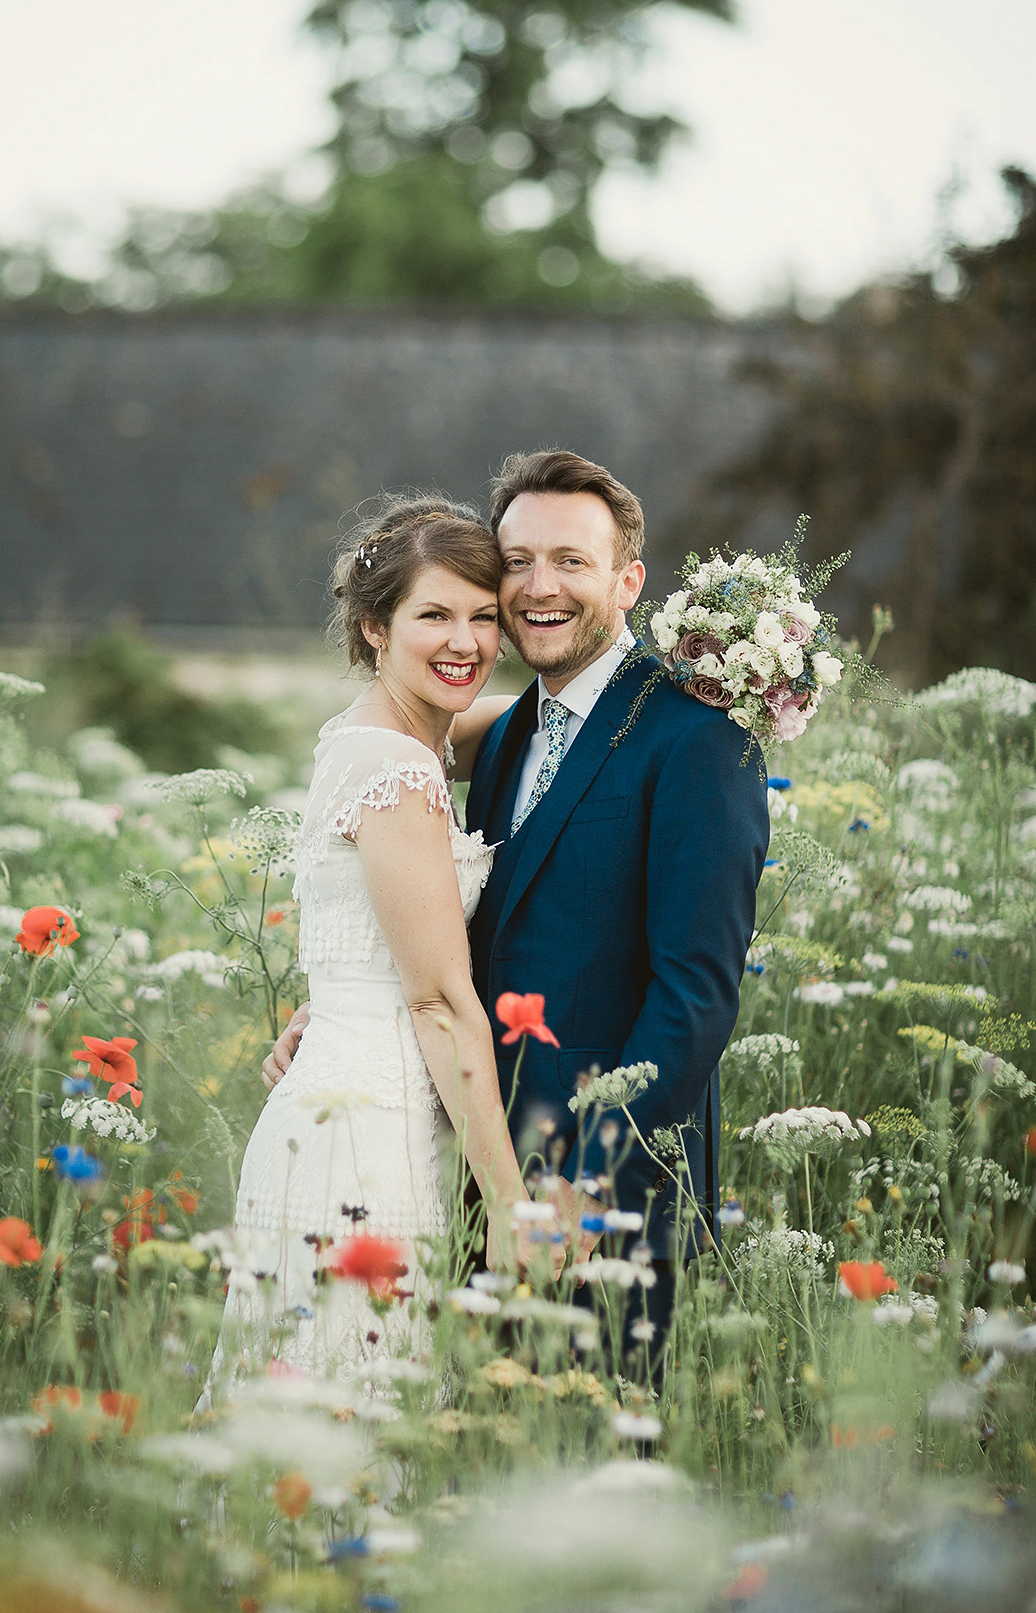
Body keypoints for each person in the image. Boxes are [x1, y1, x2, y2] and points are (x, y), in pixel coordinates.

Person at [269, 452, 769, 1380]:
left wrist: (587, 1182)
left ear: (628, 581)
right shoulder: (499, 731)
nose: (539, 588)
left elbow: (695, 996)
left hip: (599, 1200)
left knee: (595, 1480)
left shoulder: (699, 739)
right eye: (518, 562)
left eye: (571, 561)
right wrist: (348, 1005)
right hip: (462, 1165)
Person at [200, 495, 547, 1401]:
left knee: (320, 1409)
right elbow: (435, 1000)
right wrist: (512, 1207)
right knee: (351, 1415)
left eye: (483, 617)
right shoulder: (393, 768)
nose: (464, 642)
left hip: (351, 1100)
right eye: (433, 615)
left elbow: (536, 714)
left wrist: (656, 682)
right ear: (373, 624)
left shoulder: (388, 736)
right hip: (363, 1137)